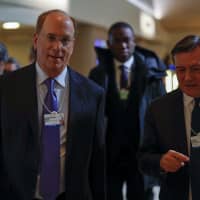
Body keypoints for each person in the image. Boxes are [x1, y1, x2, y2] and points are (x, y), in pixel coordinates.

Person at [0, 9, 106, 200]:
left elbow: (97, 159)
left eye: (65, 40)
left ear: (72, 46)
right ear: (35, 41)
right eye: (51, 38)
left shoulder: (92, 94)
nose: (58, 47)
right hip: (16, 193)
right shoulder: (6, 88)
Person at [89, 22, 166, 200]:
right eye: (117, 40)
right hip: (110, 153)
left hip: (141, 151)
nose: (122, 45)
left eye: (127, 40)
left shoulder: (152, 73)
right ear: (109, 44)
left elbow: (162, 113)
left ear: (134, 42)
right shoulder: (97, 74)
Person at [138, 35, 200, 200]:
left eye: (196, 69)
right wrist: (161, 162)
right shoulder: (158, 108)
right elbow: (144, 159)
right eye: (181, 70)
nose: (187, 77)